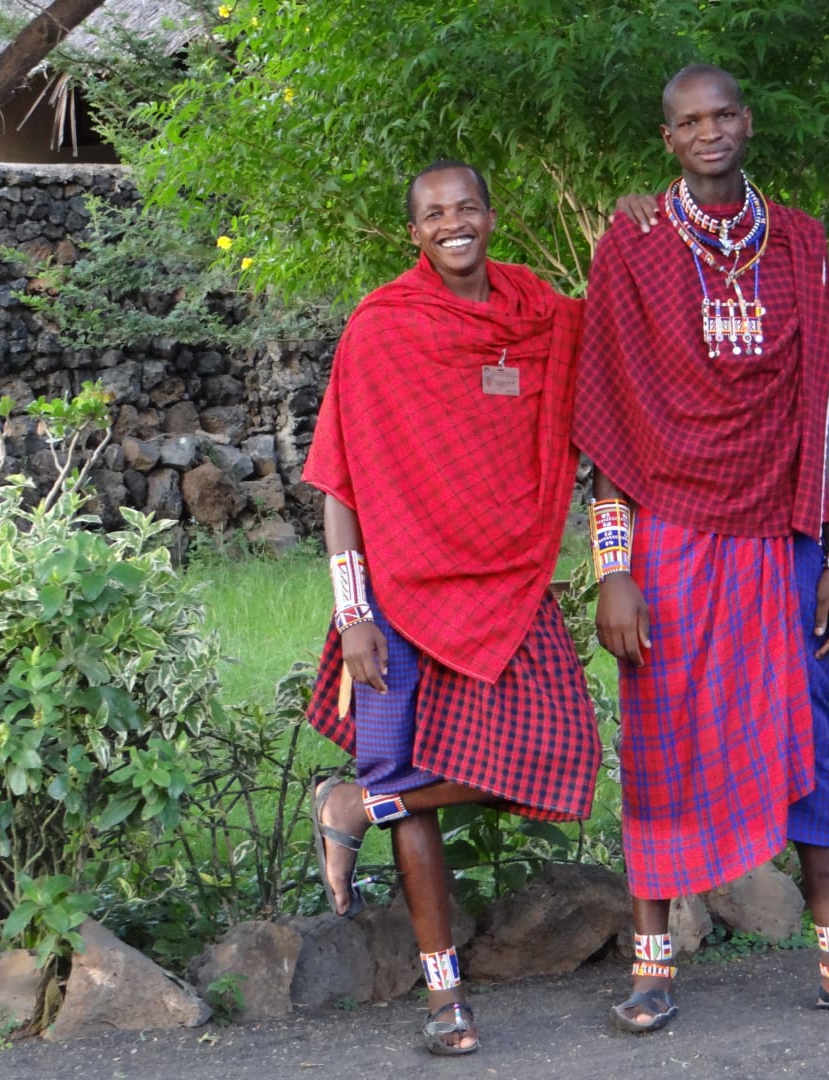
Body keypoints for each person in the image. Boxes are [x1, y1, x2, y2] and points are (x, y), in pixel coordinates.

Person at [576, 64, 829, 1032]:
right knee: (660, 739)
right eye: (690, 121)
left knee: (806, 738)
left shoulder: (800, 244)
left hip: (781, 539)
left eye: (724, 114)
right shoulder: (633, 243)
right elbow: (607, 418)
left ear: (748, 122)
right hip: (667, 538)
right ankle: (652, 969)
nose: (710, 131)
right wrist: (613, 570)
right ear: (669, 138)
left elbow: (818, 413)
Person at [302, 159, 600, 1056]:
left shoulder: (542, 319)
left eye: (467, 206)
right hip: (398, 595)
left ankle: (353, 805)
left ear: (491, 216)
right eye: (434, 213)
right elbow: (338, 479)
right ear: (414, 233)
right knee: (418, 790)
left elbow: (620, 346)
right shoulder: (382, 327)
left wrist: (640, 230)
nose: (453, 223)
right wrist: (352, 612)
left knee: (557, 756)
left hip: (510, 587)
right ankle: (445, 999)